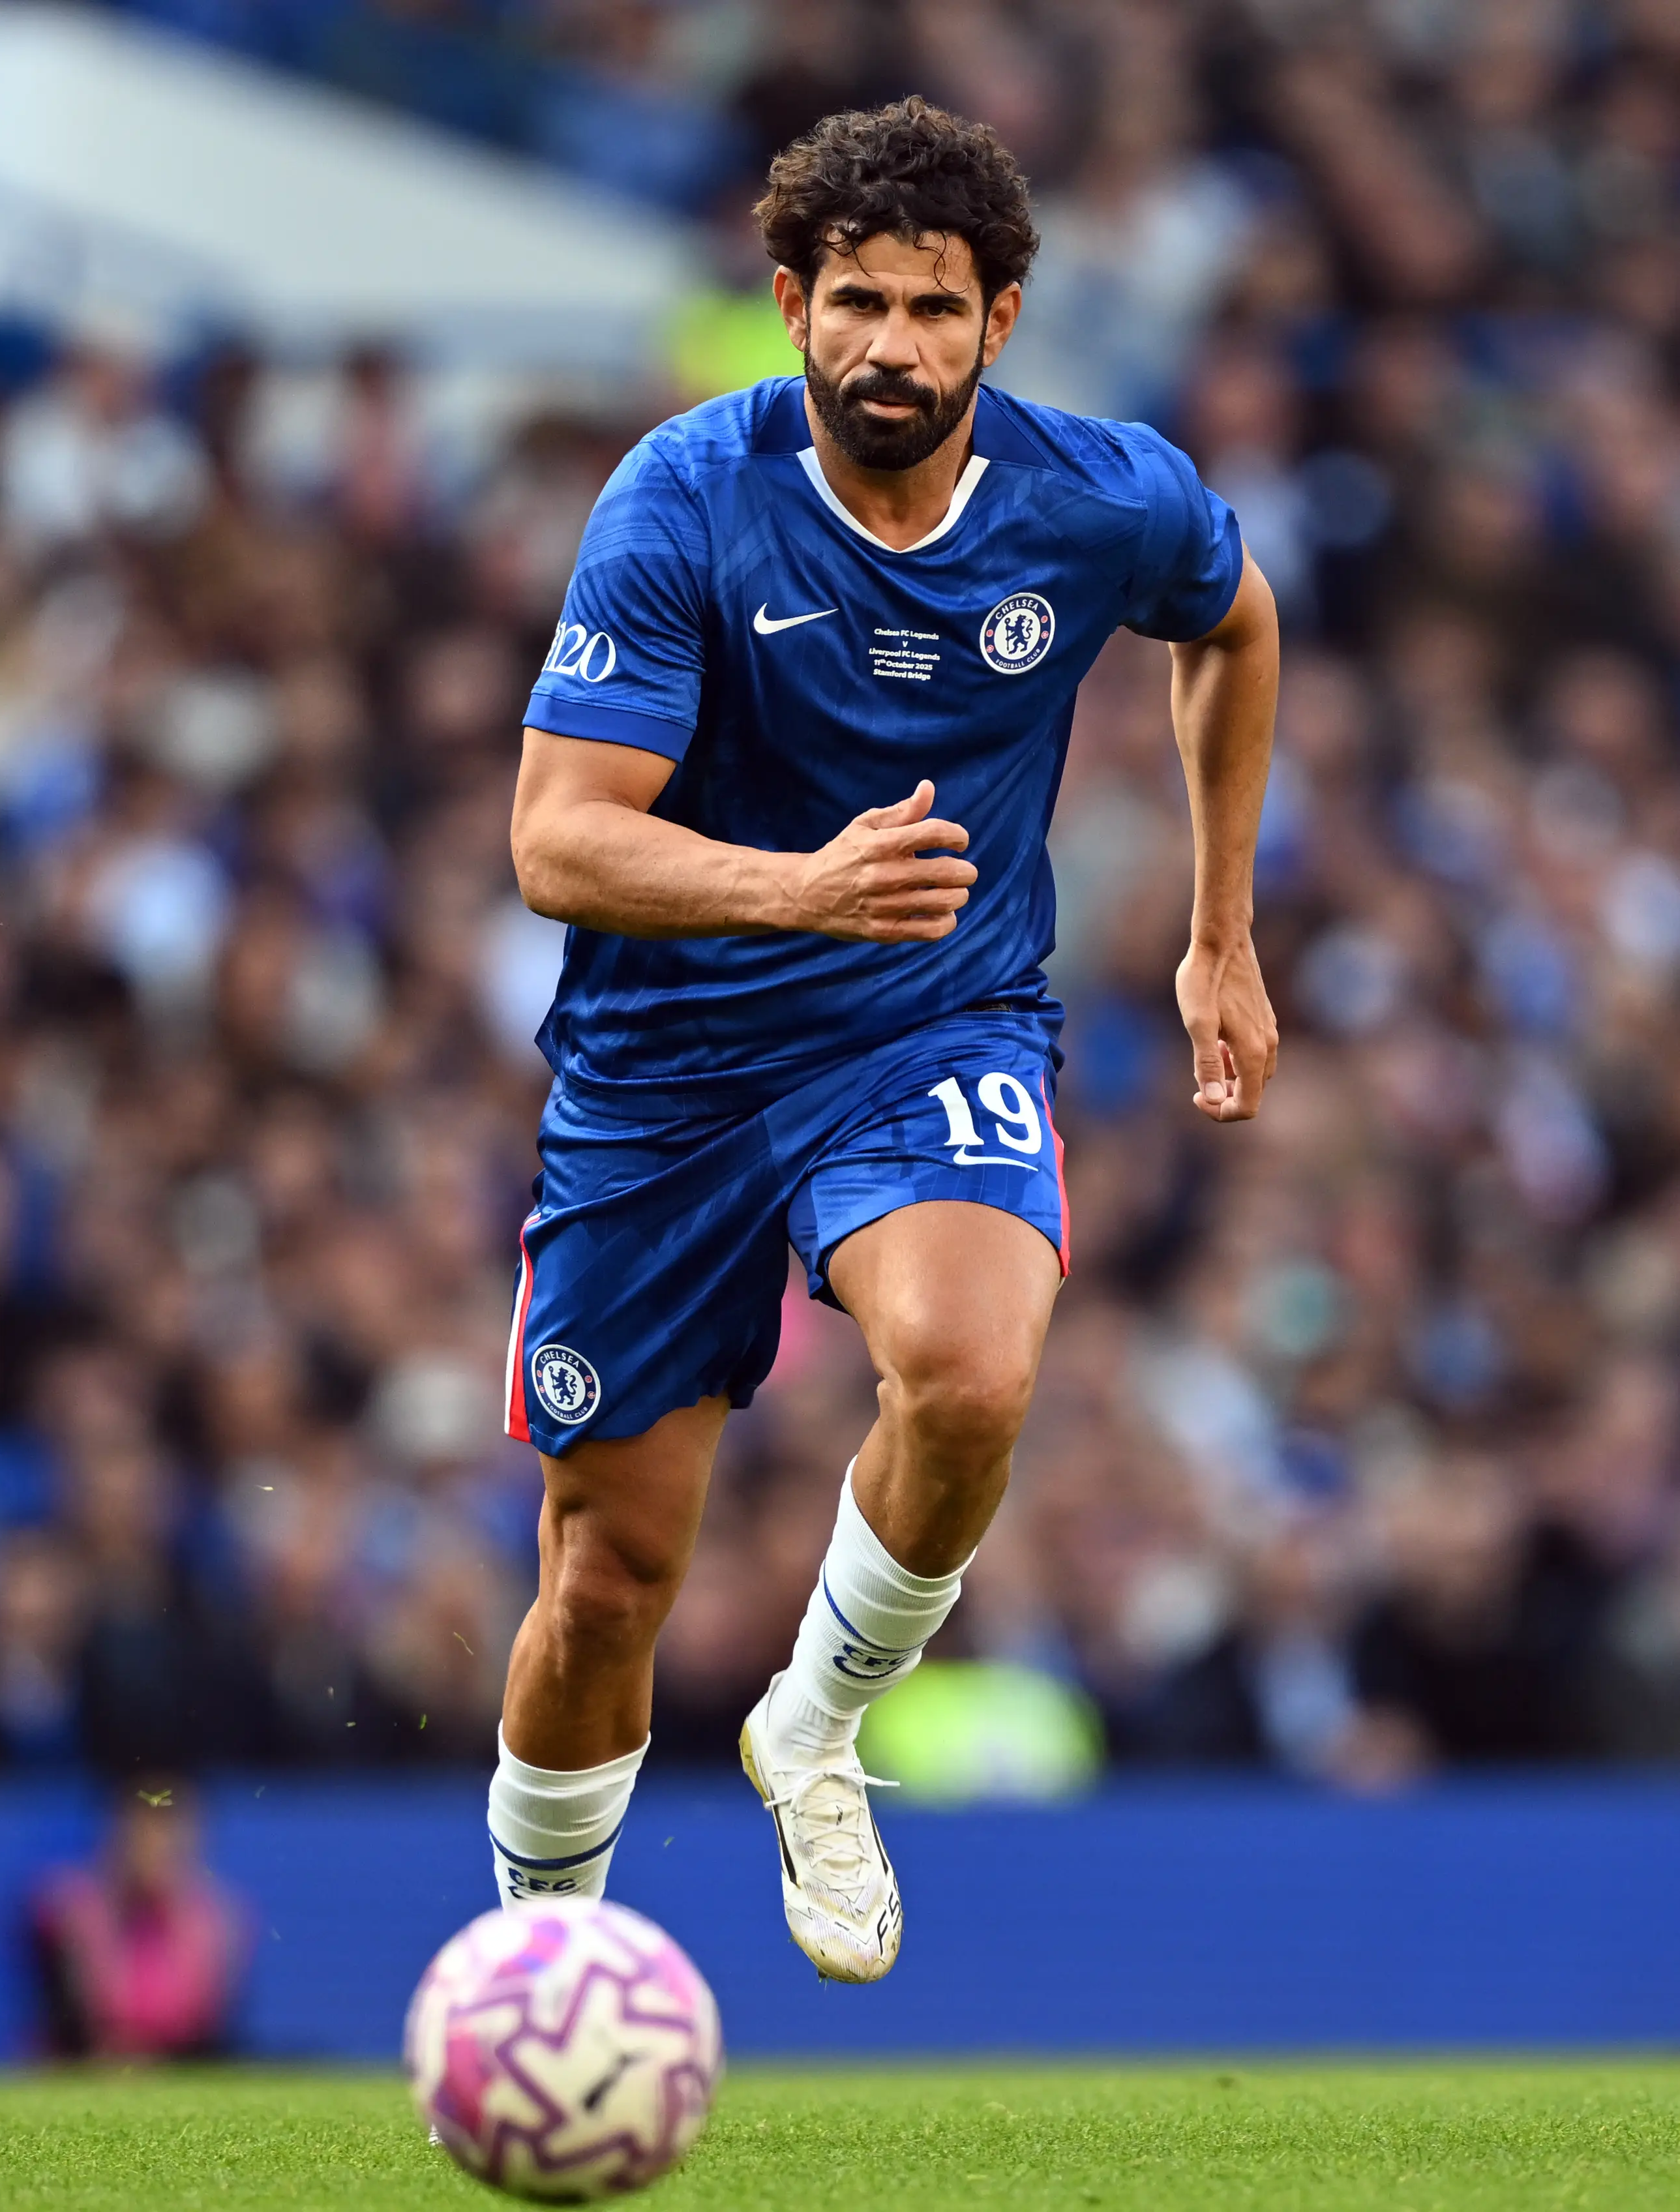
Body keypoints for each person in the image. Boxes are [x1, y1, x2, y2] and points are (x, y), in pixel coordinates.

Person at [490, 96, 1280, 1984]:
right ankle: (541, 1966)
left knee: (976, 1373)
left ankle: (818, 1725)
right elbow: (554, 837)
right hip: (668, 1067)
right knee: (608, 1583)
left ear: (1002, 322)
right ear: (791, 308)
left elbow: (1234, 625)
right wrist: (795, 887)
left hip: (929, 1021)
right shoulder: (685, 495)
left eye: (936, 310)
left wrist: (1219, 933)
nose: (893, 348)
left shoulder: (1102, 498)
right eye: (858, 303)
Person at [29, 1787, 250, 2059]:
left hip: (180, 2065)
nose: (152, 1849)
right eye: (141, 1835)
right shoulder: (72, 1911)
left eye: (165, 1836)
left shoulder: (216, 1918)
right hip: (90, 2061)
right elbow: (71, 2019)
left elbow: (211, 2028)